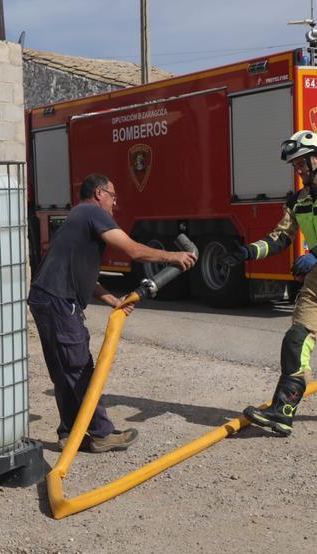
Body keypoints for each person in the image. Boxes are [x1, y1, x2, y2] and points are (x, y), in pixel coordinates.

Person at [29, 173, 197, 452]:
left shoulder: (76, 218)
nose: (115, 203)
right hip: (58, 301)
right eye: (113, 195)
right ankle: (100, 433)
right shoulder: (93, 213)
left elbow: (82, 275)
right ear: (99, 193)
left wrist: (111, 299)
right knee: (79, 367)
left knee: (64, 369)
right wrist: (173, 256)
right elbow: (132, 250)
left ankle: (72, 432)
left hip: (45, 298)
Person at [229, 130, 317, 436]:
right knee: (295, 341)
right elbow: (280, 237)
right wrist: (247, 251)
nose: (297, 170)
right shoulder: (297, 201)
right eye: (294, 165)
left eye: (301, 164)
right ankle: (283, 412)